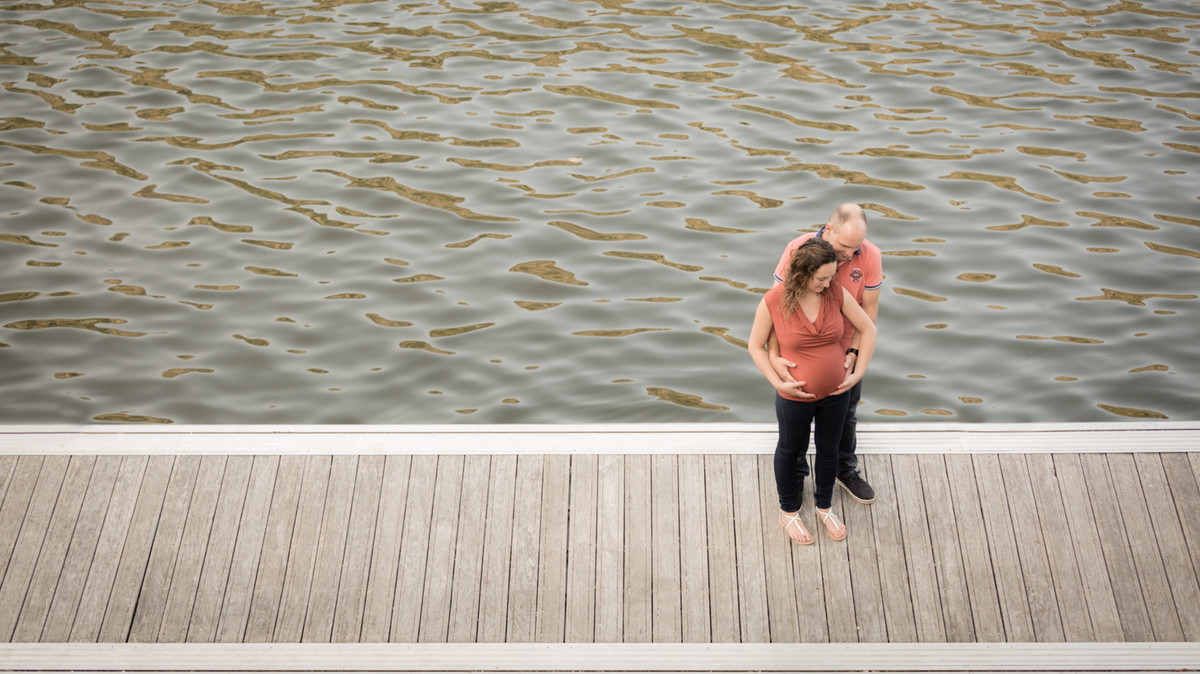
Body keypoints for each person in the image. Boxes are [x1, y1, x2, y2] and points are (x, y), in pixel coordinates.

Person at [749, 237, 877, 544]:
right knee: (789, 449)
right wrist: (778, 383)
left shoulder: (836, 292)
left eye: (831, 276)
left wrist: (857, 372)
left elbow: (868, 328)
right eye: (822, 278)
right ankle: (789, 511)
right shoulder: (773, 300)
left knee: (829, 449)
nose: (828, 283)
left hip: (836, 393)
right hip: (794, 397)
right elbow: (755, 346)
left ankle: (824, 506)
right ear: (804, 273)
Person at [768, 203, 882, 505]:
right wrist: (774, 355)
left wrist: (855, 353)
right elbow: (776, 306)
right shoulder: (797, 249)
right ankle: (796, 473)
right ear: (828, 230)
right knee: (796, 422)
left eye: (856, 247)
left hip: (845, 350)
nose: (850, 253)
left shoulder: (870, 255)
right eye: (844, 246)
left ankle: (845, 470)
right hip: (801, 350)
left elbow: (869, 312)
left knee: (847, 415)